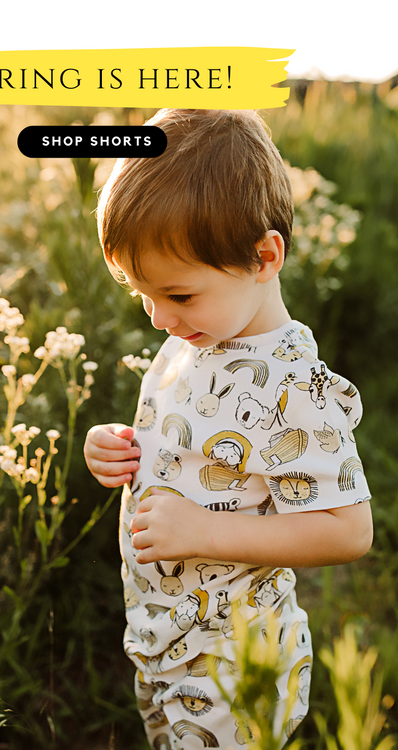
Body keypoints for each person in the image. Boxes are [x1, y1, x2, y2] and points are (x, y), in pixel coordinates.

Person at [83, 109, 373, 749]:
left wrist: (206, 530)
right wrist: (116, 449)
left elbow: (348, 530)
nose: (158, 317)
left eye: (178, 295)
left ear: (263, 256)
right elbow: (184, 448)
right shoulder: (193, 341)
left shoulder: (293, 387)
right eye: (141, 294)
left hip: (235, 660)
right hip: (162, 636)